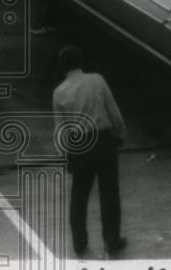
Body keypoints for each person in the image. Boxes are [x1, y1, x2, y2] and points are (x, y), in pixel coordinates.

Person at [52, 45, 128, 258]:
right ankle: (112, 240)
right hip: (103, 141)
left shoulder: (59, 92)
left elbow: (60, 128)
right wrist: (120, 135)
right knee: (110, 194)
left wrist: (64, 155)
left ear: (63, 67)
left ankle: (79, 243)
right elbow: (114, 112)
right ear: (80, 61)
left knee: (79, 196)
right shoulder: (97, 80)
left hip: (79, 146)